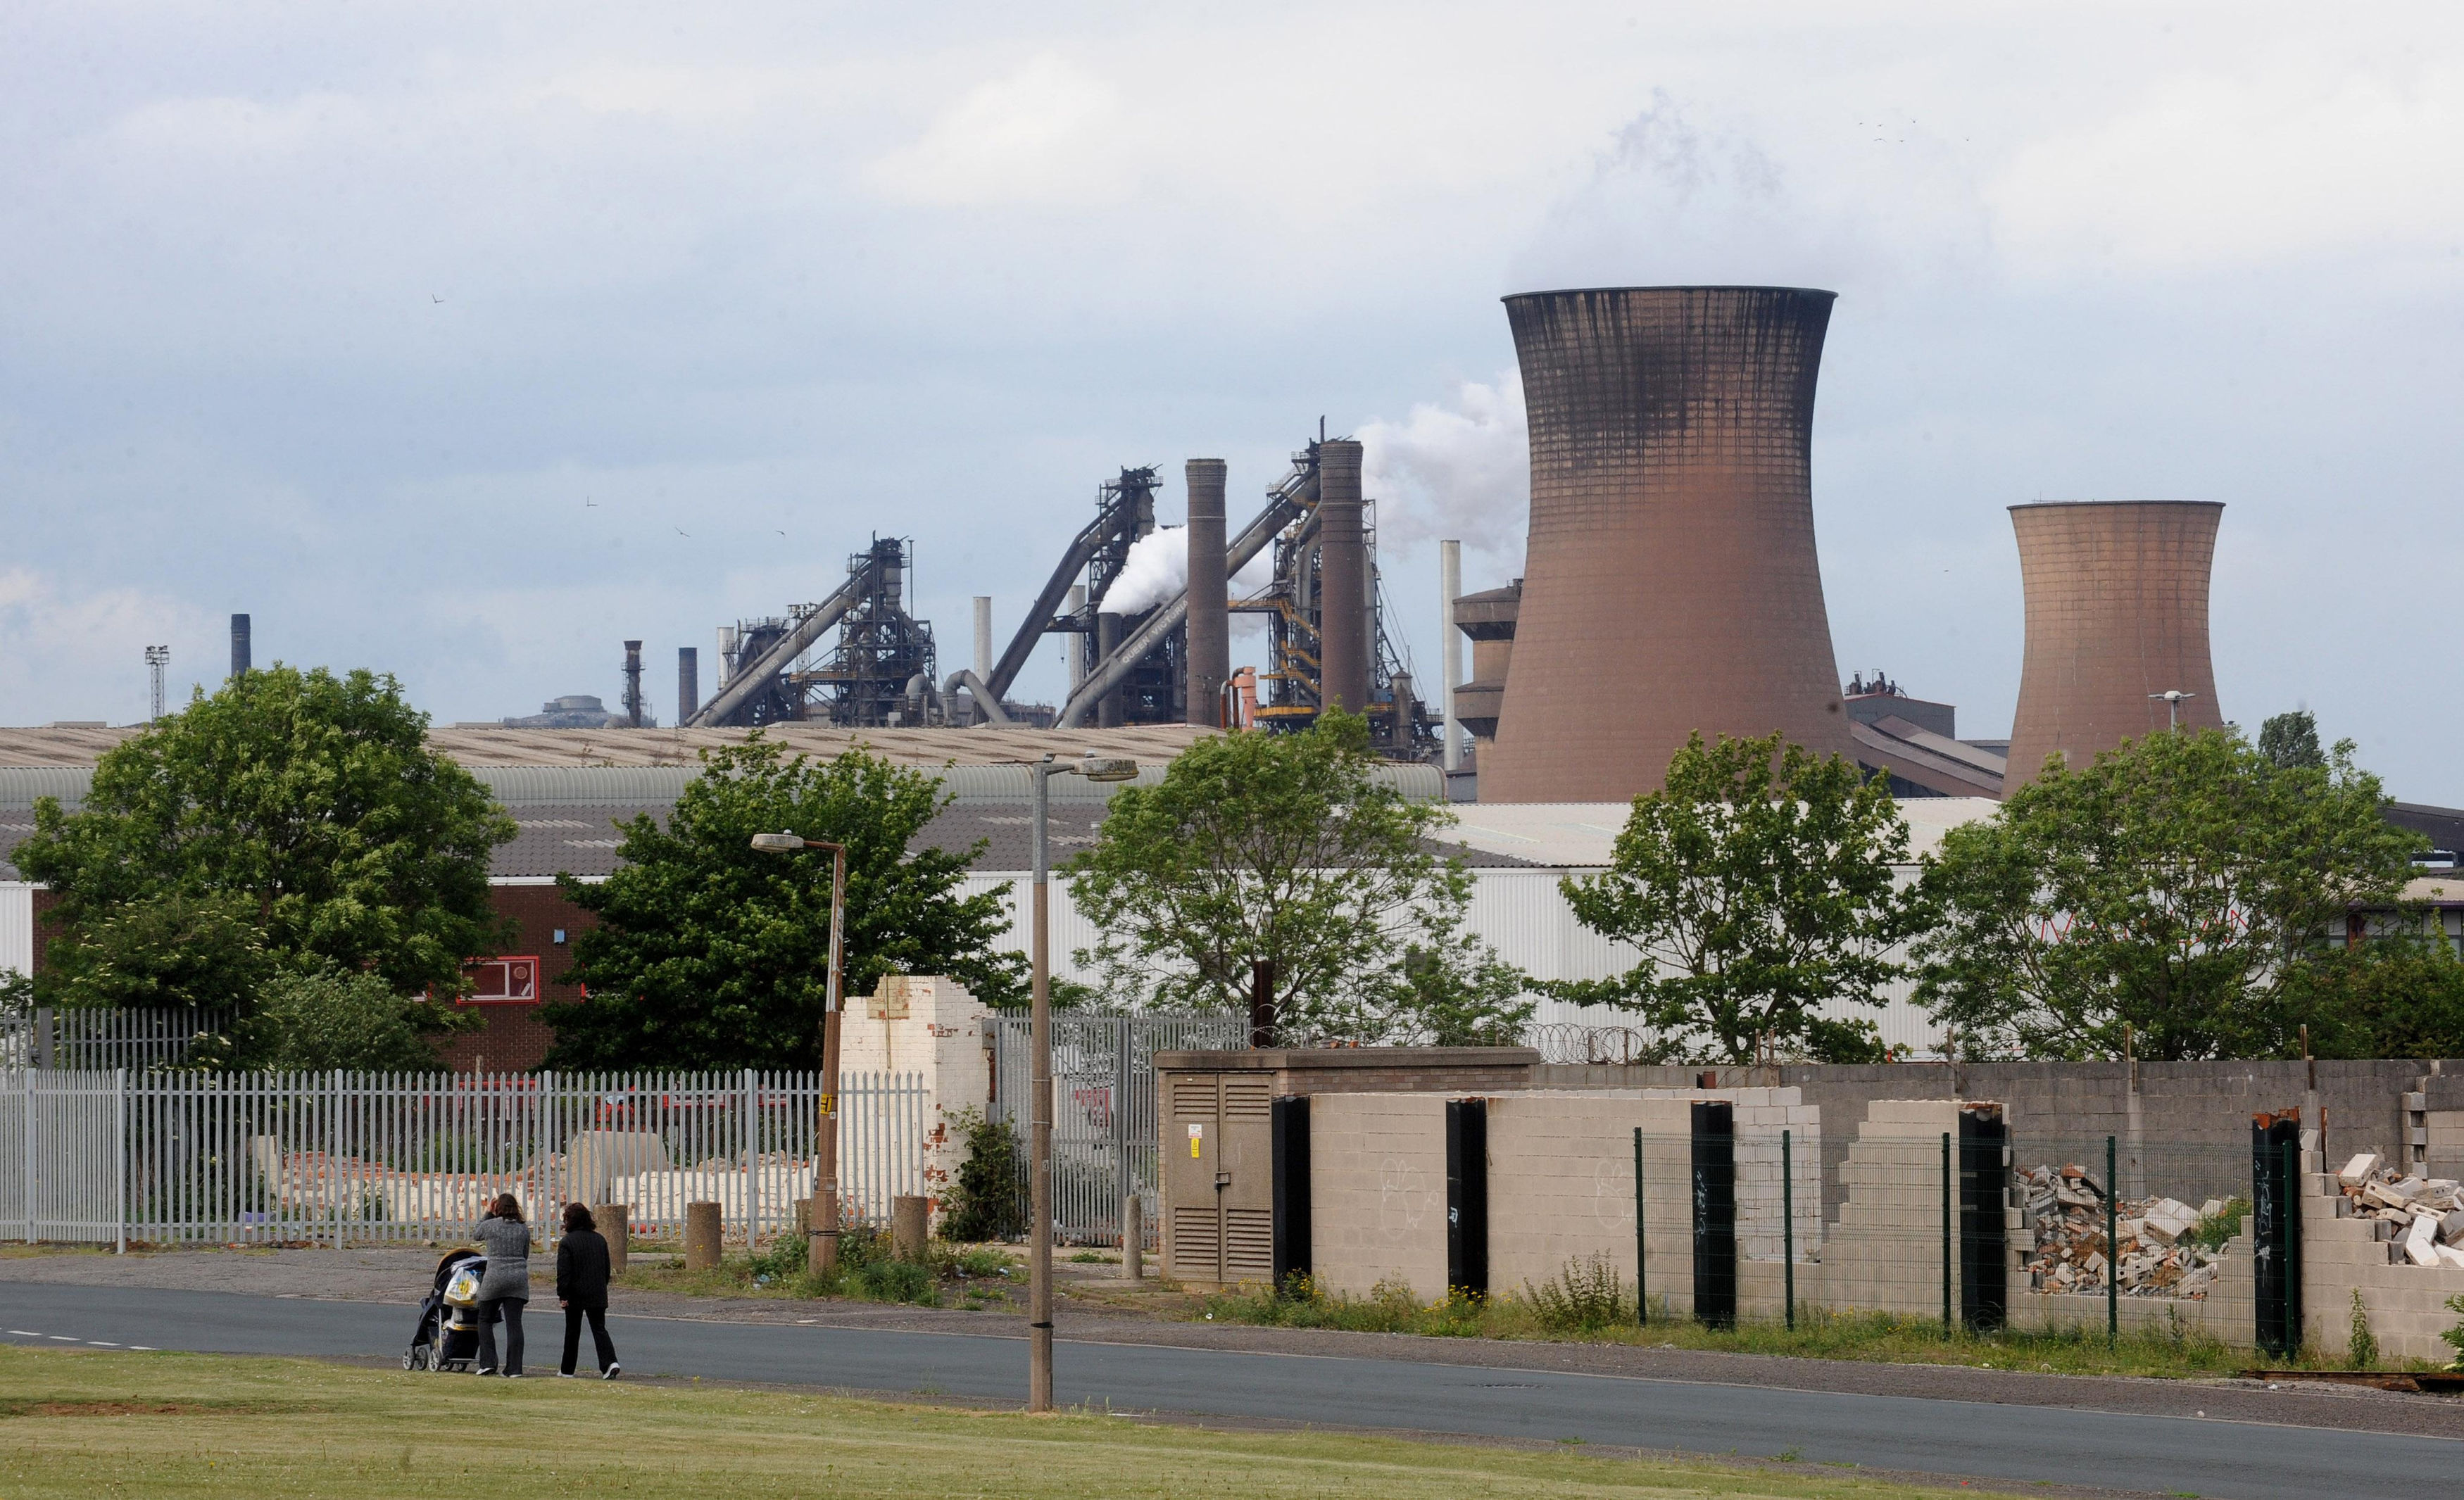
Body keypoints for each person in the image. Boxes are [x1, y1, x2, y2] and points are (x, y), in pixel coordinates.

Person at [469, 1192, 534, 1377]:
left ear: (497, 1209)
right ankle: (514, 1369)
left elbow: (476, 1233)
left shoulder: (491, 1226)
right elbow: (525, 1254)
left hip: (495, 1278)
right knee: (514, 1325)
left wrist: (488, 1213)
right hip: (518, 1279)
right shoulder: (523, 1229)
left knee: (485, 1319)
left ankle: (488, 1363)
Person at [555, 1202, 621, 1380]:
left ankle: (567, 1370)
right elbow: (606, 1268)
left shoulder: (567, 1242)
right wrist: (602, 1285)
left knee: (572, 1331)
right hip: (597, 1290)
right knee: (599, 1328)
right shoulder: (599, 1239)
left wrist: (563, 1295)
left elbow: (564, 1272)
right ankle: (610, 1363)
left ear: (569, 1221)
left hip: (575, 1294)